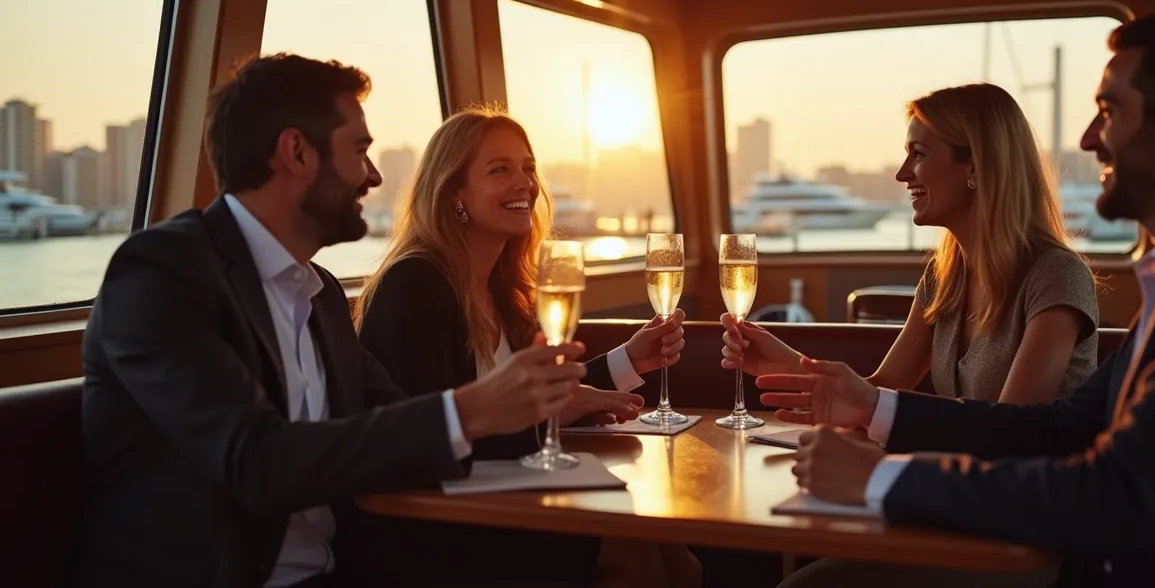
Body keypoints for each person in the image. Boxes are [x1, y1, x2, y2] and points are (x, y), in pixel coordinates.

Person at [763, 8, 1155, 587]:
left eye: (1109, 110)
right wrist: (875, 407)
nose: (1088, 139)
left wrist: (879, 480)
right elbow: (1056, 429)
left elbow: (1122, 495)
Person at [78, 54, 590, 588]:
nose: (373, 176)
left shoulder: (318, 293)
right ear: (296, 152)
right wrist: (467, 411)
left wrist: (513, 412)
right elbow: (255, 461)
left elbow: (400, 422)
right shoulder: (162, 274)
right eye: (359, 150)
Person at [351, 105, 700, 588]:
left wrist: (628, 359)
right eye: (500, 170)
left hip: (500, 501)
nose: (525, 183)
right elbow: (426, 438)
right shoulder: (414, 285)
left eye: (528, 168)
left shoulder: (503, 288)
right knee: (632, 552)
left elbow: (548, 399)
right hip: (436, 527)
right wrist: (552, 415)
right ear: (455, 192)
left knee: (676, 553)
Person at [723, 83, 1100, 406]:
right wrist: (784, 362)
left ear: (974, 166)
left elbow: (1010, 430)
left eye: (918, 154)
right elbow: (882, 389)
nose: (903, 174)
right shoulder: (945, 277)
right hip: (960, 482)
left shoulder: (1057, 276)